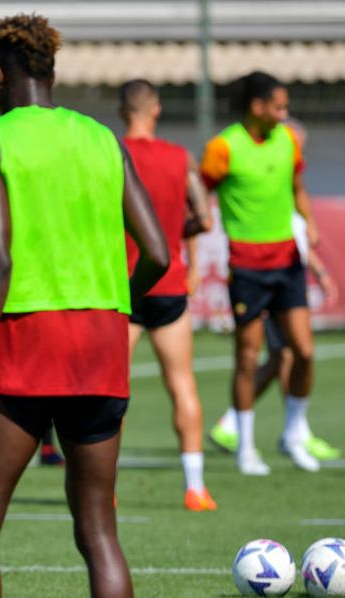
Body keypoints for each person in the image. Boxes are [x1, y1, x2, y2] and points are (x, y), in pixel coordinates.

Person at [0, 15, 168, 598]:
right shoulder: (103, 140)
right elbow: (160, 253)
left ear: (1, 74)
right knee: (99, 530)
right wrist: (114, 310)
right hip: (101, 344)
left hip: (21, 344)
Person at [200, 72, 320, 475]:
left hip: (287, 261)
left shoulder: (287, 140)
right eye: (279, 106)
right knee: (248, 357)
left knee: (303, 351)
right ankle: (245, 447)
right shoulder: (223, 147)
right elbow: (200, 193)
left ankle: (293, 431)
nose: (285, 114)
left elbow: (298, 185)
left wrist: (308, 218)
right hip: (247, 266)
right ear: (257, 107)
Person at [208, 116, 339, 463]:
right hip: (257, 274)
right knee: (270, 355)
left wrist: (321, 273)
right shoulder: (254, 177)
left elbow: (300, 241)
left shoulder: (288, 192)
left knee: (292, 353)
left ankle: (281, 429)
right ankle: (246, 427)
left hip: (284, 276)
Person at [118, 79, 216, 511]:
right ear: (155, 109)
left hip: (122, 286)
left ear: (124, 112)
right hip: (170, 285)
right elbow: (205, 219)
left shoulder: (111, 153)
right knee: (182, 384)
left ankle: (106, 490)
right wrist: (176, 236)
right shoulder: (181, 158)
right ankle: (195, 488)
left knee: (110, 392)